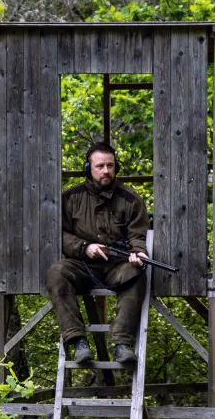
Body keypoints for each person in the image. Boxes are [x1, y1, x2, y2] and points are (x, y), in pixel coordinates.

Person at [45, 142, 150, 363]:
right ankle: (77, 341)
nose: (106, 171)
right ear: (88, 168)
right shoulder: (71, 198)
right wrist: (84, 248)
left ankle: (122, 343)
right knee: (57, 272)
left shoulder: (130, 199)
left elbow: (137, 235)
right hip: (82, 266)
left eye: (110, 165)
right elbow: (58, 234)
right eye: (100, 166)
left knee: (137, 275)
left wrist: (138, 253)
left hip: (117, 267)